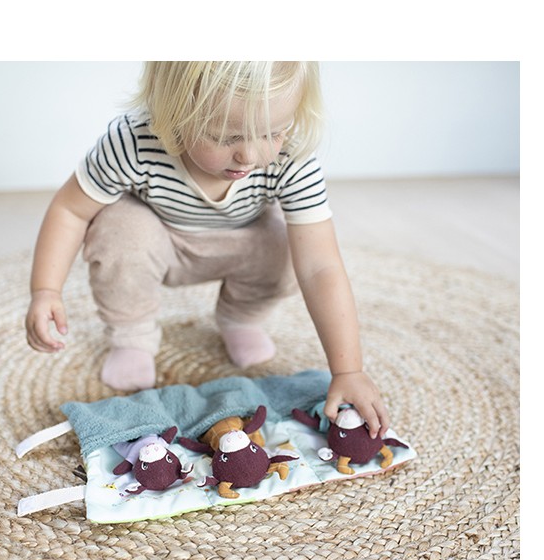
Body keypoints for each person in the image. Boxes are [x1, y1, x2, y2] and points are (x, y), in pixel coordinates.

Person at [25, 62, 390, 437]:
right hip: (157, 241)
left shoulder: (291, 156)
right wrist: (46, 290)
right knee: (118, 227)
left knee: (287, 245)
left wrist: (348, 370)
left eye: (272, 133)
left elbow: (320, 266)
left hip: (243, 244)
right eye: (226, 137)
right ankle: (132, 336)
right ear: (173, 115)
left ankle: (240, 318)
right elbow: (70, 210)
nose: (250, 155)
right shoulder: (133, 141)